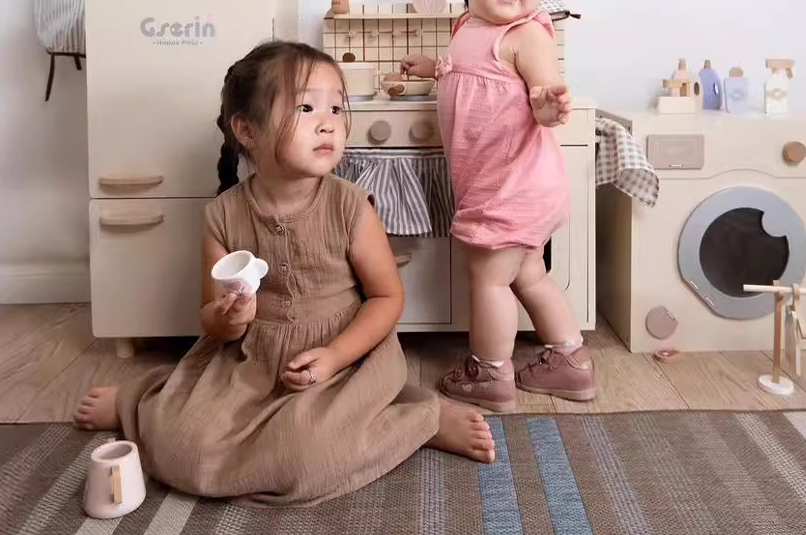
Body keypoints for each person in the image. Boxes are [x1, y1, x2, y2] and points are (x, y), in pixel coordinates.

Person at [74, 41, 494, 506]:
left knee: (308, 458)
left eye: (336, 108)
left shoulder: (350, 206)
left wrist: (333, 356)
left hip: (343, 358)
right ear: (247, 131)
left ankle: (422, 420)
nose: (328, 122)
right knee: (185, 451)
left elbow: (386, 298)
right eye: (306, 108)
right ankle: (137, 402)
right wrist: (229, 319)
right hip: (248, 364)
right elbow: (210, 317)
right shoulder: (222, 215)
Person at [401, 0, 596, 413]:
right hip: (509, 188)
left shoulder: (527, 34)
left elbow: (543, 91)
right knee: (529, 274)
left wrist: (549, 104)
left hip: (513, 189)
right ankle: (571, 361)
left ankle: (490, 372)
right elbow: (465, 70)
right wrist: (430, 67)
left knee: (489, 279)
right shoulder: (468, 26)